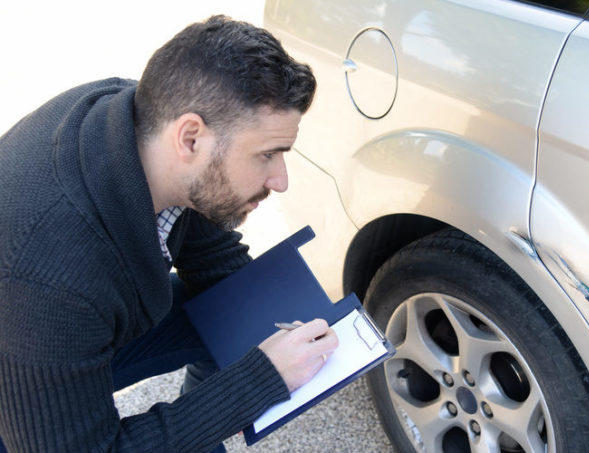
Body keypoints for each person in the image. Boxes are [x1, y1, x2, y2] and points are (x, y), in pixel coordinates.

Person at [0, 15, 338, 453]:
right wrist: (259, 380)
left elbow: (216, 267)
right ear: (191, 138)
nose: (280, 179)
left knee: (226, 310)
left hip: (60, 329)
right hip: (22, 390)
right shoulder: (52, 279)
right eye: (266, 154)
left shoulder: (148, 126)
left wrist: (275, 325)